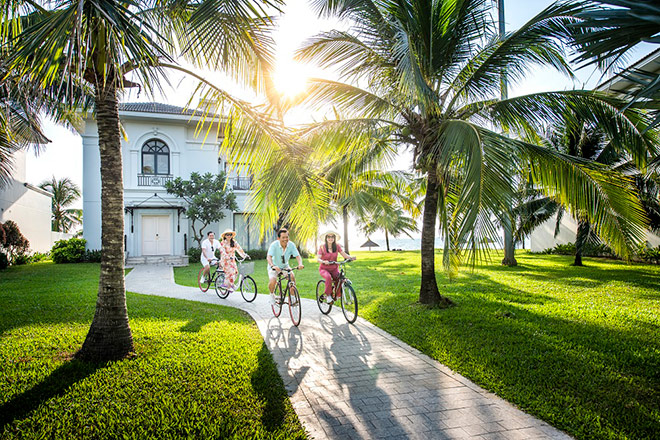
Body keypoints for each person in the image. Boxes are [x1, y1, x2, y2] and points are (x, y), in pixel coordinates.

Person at [267, 228, 304, 304]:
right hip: (274, 266)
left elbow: (298, 256)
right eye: (283, 237)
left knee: (292, 278)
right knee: (273, 281)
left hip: (285, 266)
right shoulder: (274, 245)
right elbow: (269, 257)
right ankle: (271, 294)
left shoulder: (291, 245)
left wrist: (300, 264)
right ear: (278, 238)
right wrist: (272, 265)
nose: (285, 239)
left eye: (287, 237)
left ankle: (292, 297)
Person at [317, 230, 355, 304]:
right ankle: (328, 296)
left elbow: (343, 254)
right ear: (326, 238)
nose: (330, 238)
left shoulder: (337, 246)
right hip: (324, 269)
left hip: (334, 268)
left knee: (340, 278)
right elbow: (318, 259)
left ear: (334, 238)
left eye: (332, 237)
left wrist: (350, 257)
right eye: (329, 236)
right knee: (328, 277)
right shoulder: (322, 247)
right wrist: (323, 261)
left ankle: (337, 295)